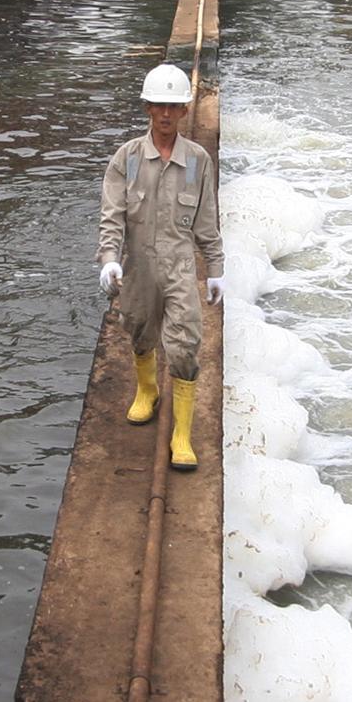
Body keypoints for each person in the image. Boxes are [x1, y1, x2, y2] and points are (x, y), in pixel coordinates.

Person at [97, 63, 226, 471]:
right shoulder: (128, 158)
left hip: (180, 267)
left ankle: (182, 434)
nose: (166, 114)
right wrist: (109, 260)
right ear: (148, 109)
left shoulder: (198, 161)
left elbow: (207, 218)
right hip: (138, 265)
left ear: (185, 111)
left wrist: (216, 266)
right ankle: (147, 390)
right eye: (158, 106)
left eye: (174, 106)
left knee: (186, 342)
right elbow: (112, 215)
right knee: (137, 326)